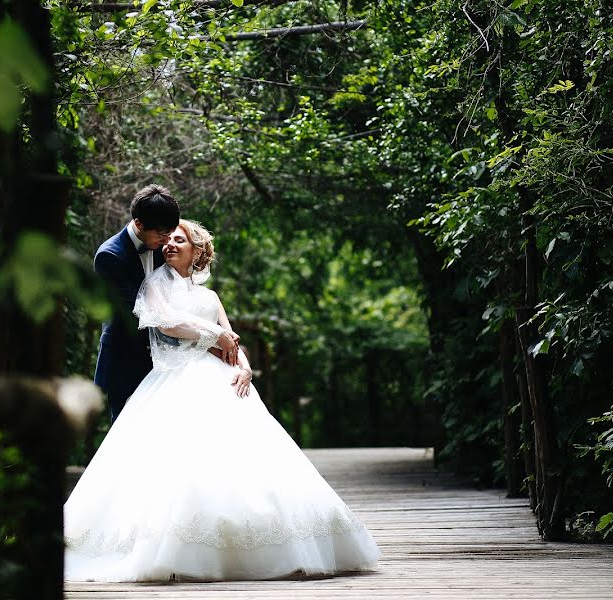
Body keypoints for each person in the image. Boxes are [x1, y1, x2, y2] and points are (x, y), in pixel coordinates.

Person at [65, 220, 380, 582]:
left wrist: (245, 367)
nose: (169, 245)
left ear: (197, 251)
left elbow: (232, 342)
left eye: (178, 240)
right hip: (172, 379)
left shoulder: (210, 297)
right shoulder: (153, 285)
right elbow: (166, 323)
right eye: (167, 240)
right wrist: (215, 333)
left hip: (218, 378)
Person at [92, 185, 238, 422]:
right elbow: (147, 315)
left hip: (171, 364)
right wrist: (209, 340)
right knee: (126, 434)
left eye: (170, 234)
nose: (166, 242)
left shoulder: (162, 246)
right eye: (162, 235)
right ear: (139, 224)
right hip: (126, 357)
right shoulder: (110, 257)